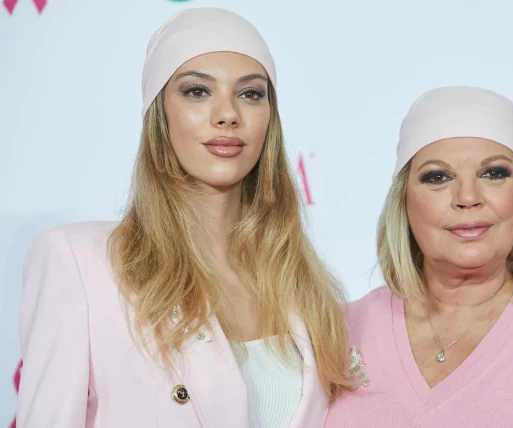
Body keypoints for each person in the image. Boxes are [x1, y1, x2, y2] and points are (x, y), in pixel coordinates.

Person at [16, 8, 351, 428]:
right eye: (197, 91)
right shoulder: (80, 263)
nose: (227, 114)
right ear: (159, 113)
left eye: (250, 93)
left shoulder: (305, 287)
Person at [324, 86, 513, 427]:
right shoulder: (335, 329)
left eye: (494, 173)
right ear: (403, 202)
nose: (467, 197)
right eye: (438, 177)